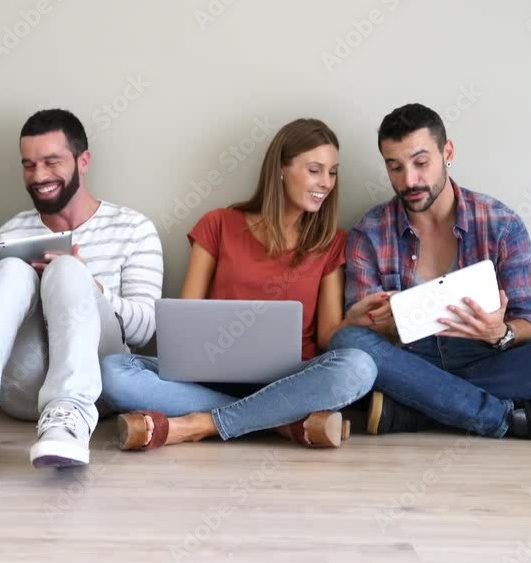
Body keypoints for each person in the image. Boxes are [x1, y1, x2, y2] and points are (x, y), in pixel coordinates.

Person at [329, 103, 531, 440]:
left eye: (421, 163)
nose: (409, 180)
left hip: (487, 357)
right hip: (411, 360)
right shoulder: (368, 232)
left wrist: (499, 333)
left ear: (447, 152)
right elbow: (364, 336)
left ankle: (414, 411)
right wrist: (370, 321)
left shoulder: (500, 223)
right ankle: (504, 418)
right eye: (395, 167)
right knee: (348, 340)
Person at [100, 118, 378, 451]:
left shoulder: (331, 242)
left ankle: (201, 424)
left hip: (291, 380)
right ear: (280, 169)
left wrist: (356, 321)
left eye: (332, 172)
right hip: (209, 375)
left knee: (360, 367)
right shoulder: (218, 224)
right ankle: (280, 422)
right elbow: (185, 321)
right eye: (315, 170)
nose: (326, 183)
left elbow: (326, 337)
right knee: (112, 371)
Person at [0, 109, 163, 482]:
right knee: (10, 270)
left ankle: (67, 418)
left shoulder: (134, 229)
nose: (39, 176)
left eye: (52, 162)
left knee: (69, 269)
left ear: (83, 161)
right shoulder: (11, 232)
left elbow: (144, 330)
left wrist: (90, 284)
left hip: (94, 390)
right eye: (29, 165)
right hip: (21, 388)